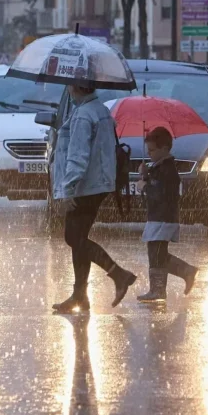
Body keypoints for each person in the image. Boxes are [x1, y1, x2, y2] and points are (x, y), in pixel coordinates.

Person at [51, 83, 137, 313]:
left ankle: (118, 274)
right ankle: (80, 295)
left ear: (74, 87)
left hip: (85, 185)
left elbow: (78, 156)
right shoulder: (100, 110)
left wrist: (68, 189)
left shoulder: (84, 115)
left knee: (73, 237)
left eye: (69, 84)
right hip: (98, 183)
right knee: (79, 239)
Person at [135, 127, 198, 302]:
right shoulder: (159, 167)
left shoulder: (168, 169)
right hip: (158, 217)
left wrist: (145, 186)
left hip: (163, 217)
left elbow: (161, 194)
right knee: (156, 252)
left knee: (156, 252)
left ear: (164, 149)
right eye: (148, 150)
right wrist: (146, 175)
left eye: (152, 150)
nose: (149, 154)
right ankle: (179, 275)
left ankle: (161, 287)